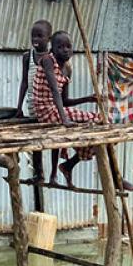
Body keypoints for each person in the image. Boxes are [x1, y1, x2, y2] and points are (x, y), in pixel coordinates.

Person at [32, 31, 99, 188]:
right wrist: (65, 120)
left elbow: (65, 101)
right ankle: (64, 168)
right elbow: (54, 90)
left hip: (57, 110)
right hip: (45, 111)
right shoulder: (48, 60)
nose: (65, 50)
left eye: (68, 46)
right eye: (60, 46)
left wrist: (88, 98)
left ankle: (69, 165)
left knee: (99, 124)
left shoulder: (68, 69)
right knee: (97, 120)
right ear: (52, 49)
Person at [14, 20, 61, 183]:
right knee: (36, 140)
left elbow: (58, 85)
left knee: (55, 139)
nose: (36, 39)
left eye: (40, 36)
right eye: (33, 35)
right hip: (33, 105)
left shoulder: (53, 58)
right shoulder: (28, 57)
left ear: (48, 39)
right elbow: (24, 82)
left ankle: (54, 174)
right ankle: (39, 173)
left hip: (49, 106)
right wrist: (19, 107)